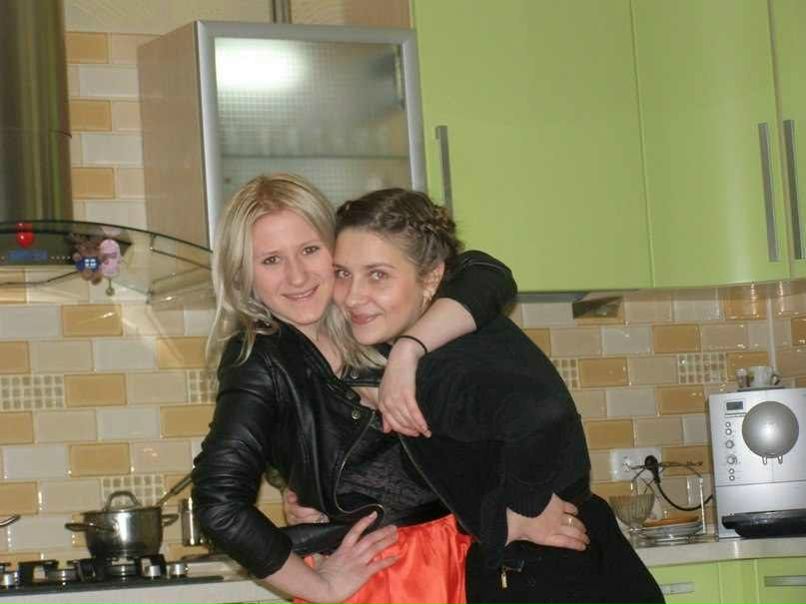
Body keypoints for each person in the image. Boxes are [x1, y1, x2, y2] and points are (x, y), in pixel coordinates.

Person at [192, 174, 577, 604]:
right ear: (243, 275)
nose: (297, 276)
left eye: (310, 250)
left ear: (335, 249)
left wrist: (408, 350)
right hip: (388, 580)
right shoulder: (257, 359)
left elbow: (486, 274)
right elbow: (218, 503)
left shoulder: (370, 323)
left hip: (454, 561)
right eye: (270, 260)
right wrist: (320, 587)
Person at [328, 188, 665, 604]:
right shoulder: (455, 324)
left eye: (377, 274)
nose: (352, 296)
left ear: (431, 278)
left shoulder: (437, 365)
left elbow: (541, 412)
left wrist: (521, 508)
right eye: (342, 273)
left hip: (548, 571)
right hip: (577, 559)